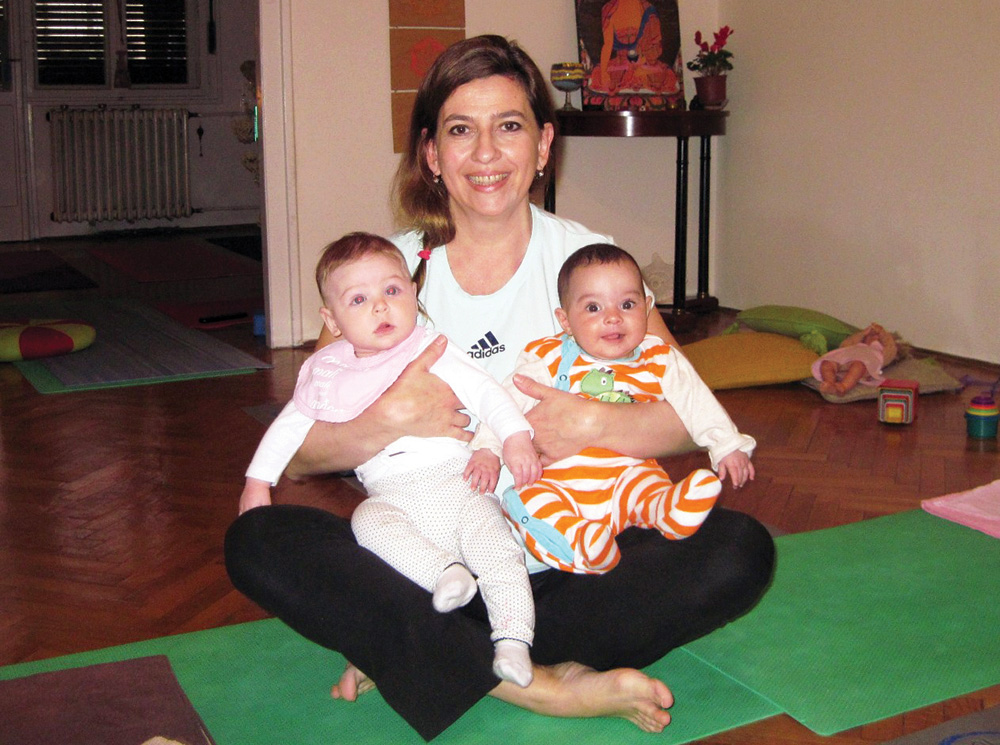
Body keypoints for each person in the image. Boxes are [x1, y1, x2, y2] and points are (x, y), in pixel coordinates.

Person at [224, 34, 775, 742]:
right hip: (429, 557)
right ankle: (541, 685)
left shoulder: (588, 262)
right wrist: (387, 420)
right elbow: (301, 454)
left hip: (567, 549)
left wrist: (592, 424)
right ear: (432, 153)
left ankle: (414, 649)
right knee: (259, 538)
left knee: (739, 550)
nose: (486, 152)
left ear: (543, 144)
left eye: (508, 126)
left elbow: (685, 412)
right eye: (461, 130)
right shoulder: (387, 274)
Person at [238, 232, 542, 687]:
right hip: (392, 497)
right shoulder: (329, 370)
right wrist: (257, 482)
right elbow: (289, 427)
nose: (380, 307)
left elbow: (487, 392)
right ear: (332, 320)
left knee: (499, 552)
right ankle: (445, 575)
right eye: (359, 299)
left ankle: (513, 641)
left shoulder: (431, 349)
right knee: (367, 522)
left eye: (392, 291)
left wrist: (515, 436)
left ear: (414, 295)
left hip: (460, 485)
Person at [477, 243, 755, 575]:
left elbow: (697, 402)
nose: (613, 317)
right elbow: (505, 402)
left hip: (629, 475)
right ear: (565, 321)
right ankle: (581, 543)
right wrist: (488, 448)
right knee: (525, 499)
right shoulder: (548, 357)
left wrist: (727, 445)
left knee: (649, 485)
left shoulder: (659, 359)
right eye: (593, 307)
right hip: (560, 482)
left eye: (627, 304)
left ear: (647, 307)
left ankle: (666, 509)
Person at [812, 322, 898, 396]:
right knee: (827, 363)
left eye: (877, 337)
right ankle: (829, 383)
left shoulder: (881, 351)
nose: (873, 335)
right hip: (843, 358)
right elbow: (845, 344)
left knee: (858, 365)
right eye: (870, 335)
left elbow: (891, 347)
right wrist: (863, 333)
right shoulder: (856, 344)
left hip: (862, 363)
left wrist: (882, 333)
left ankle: (842, 387)